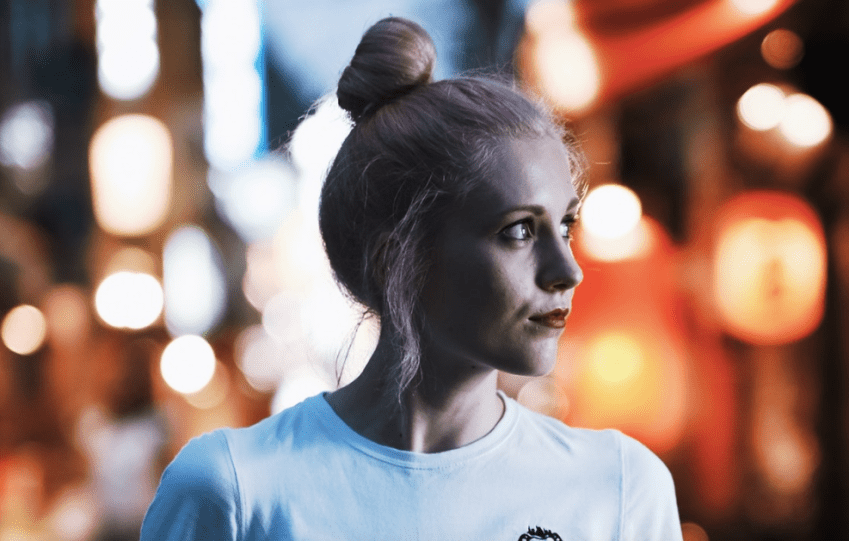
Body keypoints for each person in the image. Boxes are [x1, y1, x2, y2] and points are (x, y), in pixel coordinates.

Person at [140, 17, 683, 540]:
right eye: (518, 231)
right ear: (397, 256)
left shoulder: (618, 490)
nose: (567, 270)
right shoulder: (233, 491)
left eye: (565, 226)